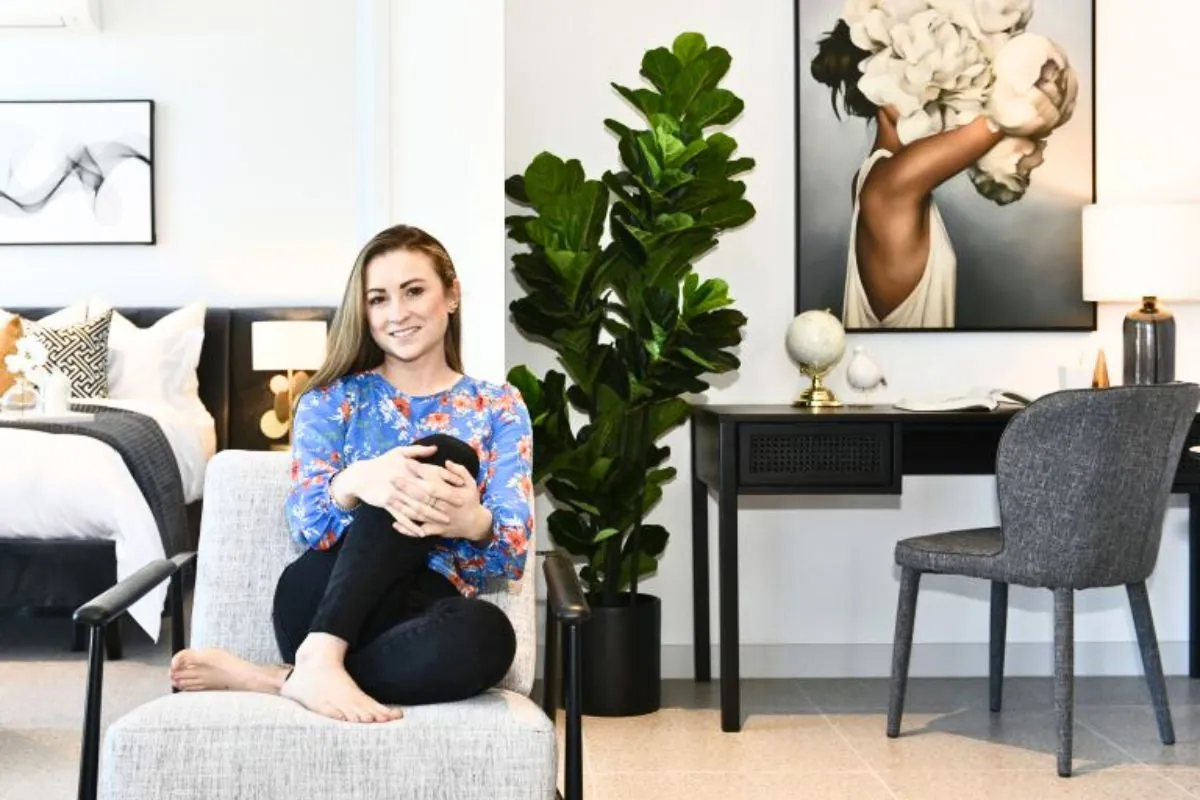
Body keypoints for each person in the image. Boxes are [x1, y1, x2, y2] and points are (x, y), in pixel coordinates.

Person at [169, 224, 534, 723]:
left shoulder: (499, 406)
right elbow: (306, 525)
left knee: (490, 637)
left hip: (423, 616)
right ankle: (319, 653)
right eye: (378, 299)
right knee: (438, 452)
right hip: (322, 596)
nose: (397, 313)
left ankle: (283, 678)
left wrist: (470, 521)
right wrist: (357, 482)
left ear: (451, 296)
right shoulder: (330, 399)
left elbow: (512, 550)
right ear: (363, 312)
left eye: (414, 291)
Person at [810, 19, 1006, 329]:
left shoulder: (875, 178)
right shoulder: (892, 186)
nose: (928, 89)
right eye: (907, 76)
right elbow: (1006, 115)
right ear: (876, 91)